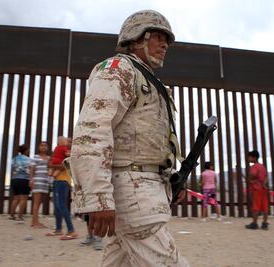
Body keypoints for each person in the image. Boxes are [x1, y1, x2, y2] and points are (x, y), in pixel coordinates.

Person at [70, 10, 188, 266]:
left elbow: (144, 144)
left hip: (144, 191)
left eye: (166, 38)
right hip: (131, 195)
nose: (165, 44)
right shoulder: (118, 70)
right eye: (157, 36)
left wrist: (168, 179)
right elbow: (92, 132)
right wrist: (97, 197)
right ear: (136, 38)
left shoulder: (147, 79)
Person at [46, 141, 78, 241]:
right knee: (56, 206)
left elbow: (62, 166)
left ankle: (71, 231)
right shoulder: (59, 152)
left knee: (62, 205)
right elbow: (48, 164)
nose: (67, 143)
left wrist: (53, 165)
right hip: (57, 181)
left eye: (69, 141)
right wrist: (54, 153)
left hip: (63, 181)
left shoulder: (70, 155)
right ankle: (58, 229)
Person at [245, 150, 269, 230]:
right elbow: (266, 177)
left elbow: (252, 176)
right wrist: (264, 184)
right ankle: (265, 223)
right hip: (263, 189)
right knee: (265, 206)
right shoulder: (262, 166)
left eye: (249, 157)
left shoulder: (254, 167)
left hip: (256, 189)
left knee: (256, 206)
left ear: (254, 157)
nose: (248, 159)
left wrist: (249, 178)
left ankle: (254, 223)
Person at [29, 141, 51, 228]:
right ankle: (35, 223)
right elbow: (32, 169)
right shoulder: (35, 157)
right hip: (37, 181)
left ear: (47, 148)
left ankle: (34, 221)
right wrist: (31, 179)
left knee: (39, 203)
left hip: (45, 182)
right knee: (36, 202)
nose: (43, 147)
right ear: (38, 147)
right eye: (41, 145)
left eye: (45, 145)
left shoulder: (49, 158)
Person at [9, 144, 31, 221]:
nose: (28, 151)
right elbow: (31, 170)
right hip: (24, 179)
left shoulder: (14, 159)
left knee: (16, 198)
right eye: (28, 150)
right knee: (23, 199)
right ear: (25, 150)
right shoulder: (29, 160)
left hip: (14, 179)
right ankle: (20, 216)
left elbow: (12, 169)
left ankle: (12, 215)